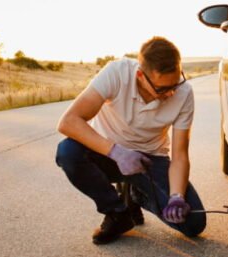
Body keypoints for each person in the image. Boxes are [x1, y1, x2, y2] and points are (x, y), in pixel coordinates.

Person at [55, 36, 206, 244]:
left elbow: (180, 154)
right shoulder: (117, 73)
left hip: (150, 160)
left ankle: (138, 195)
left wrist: (177, 197)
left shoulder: (184, 93)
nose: (171, 93)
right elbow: (68, 122)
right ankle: (117, 213)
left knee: (194, 223)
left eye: (176, 83)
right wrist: (116, 152)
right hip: (108, 154)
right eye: (162, 89)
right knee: (68, 153)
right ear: (140, 76)